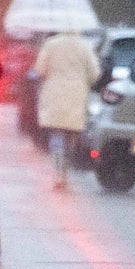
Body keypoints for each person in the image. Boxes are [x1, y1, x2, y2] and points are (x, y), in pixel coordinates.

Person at [32, 28, 100, 190]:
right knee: (71, 135)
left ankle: (58, 173)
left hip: (54, 93)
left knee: (56, 133)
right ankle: (65, 171)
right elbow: (95, 73)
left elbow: (40, 70)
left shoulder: (50, 44)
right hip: (77, 95)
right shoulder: (85, 46)